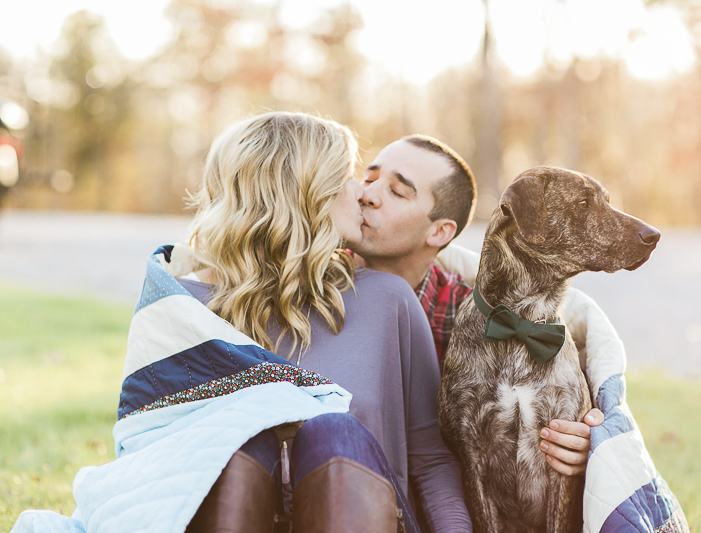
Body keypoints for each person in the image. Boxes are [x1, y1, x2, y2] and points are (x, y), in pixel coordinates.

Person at [12, 113, 470, 533]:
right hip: (231, 514)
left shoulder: (386, 300)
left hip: (359, 515)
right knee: (233, 444)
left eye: (389, 188)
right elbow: (150, 468)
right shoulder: (179, 310)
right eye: (352, 176)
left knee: (336, 431)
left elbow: (430, 460)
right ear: (305, 192)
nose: (363, 192)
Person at [352, 134, 615, 478]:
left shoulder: (477, 317)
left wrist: (584, 443)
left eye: (397, 192)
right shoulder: (303, 282)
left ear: (440, 233)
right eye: (368, 179)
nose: (367, 195)